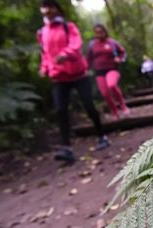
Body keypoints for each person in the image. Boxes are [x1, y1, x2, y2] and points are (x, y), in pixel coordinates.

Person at [37, 0, 110, 163]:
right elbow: (45, 54)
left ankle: (102, 136)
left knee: (89, 106)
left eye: (50, 6)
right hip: (58, 77)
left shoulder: (68, 26)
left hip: (78, 74)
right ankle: (66, 148)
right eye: (44, 6)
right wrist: (44, 67)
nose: (47, 10)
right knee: (60, 111)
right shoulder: (42, 32)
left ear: (56, 9)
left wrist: (66, 53)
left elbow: (76, 44)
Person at [87, 24, 130, 120]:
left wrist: (120, 59)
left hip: (112, 69)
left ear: (105, 32)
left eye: (101, 32)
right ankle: (114, 111)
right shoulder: (92, 45)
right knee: (105, 93)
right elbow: (89, 58)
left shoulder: (112, 43)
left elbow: (123, 52)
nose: (99, 34)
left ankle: (123, 106)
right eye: (97, 32)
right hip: (99, 72)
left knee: (112, 85)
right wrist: (87, 69)